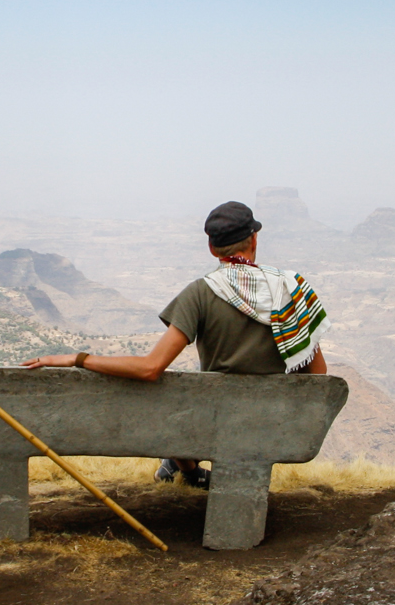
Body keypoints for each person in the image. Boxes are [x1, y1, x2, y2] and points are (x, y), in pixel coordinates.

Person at [24, 200, 330, 487]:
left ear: (212, 248)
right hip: (273, 429)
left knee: (168, 396)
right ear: (254, 240)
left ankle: (189, 471)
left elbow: (149, 369)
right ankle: (189, 469)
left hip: (211, 428)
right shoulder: (294, 290)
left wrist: (78, 358)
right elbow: (318, 377)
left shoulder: (200, 293)